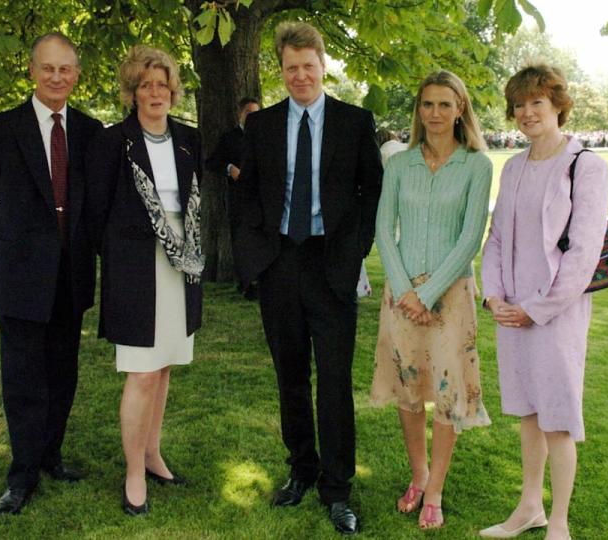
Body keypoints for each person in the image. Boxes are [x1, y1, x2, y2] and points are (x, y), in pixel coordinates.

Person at [232, 21, 382, 535]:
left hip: (332, 265)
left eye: (309, 66)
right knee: (290, 378)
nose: (300, 76)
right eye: (291, 68)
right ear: (282, 70)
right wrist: (258, 258)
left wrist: (353, 252)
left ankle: (337, 488)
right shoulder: (263, 126)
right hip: (280, 265)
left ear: (323, 65)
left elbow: (371, 193)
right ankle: (300, 471)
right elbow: (246, 193)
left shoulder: (356, 122)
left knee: (335, 382)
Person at [0, 32, 104, 516]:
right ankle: (21, 474)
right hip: (20, 275)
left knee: (62, 373)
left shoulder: (90, 131)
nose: (56, 77)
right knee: (23, 377)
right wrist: (22, 241)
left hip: (70, 277)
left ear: (77, 74)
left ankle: (51, 456)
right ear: (32, 71)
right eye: (48, 68)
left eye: (65, 69)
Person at [478, 64, 608, 540]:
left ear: (557, 104)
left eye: (536, 102)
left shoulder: (586, 166)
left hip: (555, 314)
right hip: (510, 311)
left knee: (556, 415)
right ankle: (529, 507)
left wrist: (536, 308)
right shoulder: (513, 166)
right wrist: (493, 295)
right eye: (519, 104)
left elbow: (584, 254)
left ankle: (559, 522)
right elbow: (496, 240)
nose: (527, 112)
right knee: (529, 413)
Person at [369, 71, 493, 529]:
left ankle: (435, 490)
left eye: (445, 104)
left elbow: (470, 237)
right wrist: (404, 290)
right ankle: (418, 476)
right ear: (418, 110)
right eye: (427, 105)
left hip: (451, 296)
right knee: (408, 387)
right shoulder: (400, 165)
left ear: (460, 108)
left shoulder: (477, 166)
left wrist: (427, 293)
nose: (435, 114)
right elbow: (384, 228)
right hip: (401, 296)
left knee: (445, 392)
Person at [85, 45, 203, 517]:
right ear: (132, 92)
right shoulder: (113, 142)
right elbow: (95, 213)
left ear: (173, 90)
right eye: (145, 84)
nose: (155, 92)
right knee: (142, 371)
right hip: (135, 270)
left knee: (165, 366)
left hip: (181, 268)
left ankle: (153, 454)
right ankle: (134, 471)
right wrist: (119, 259)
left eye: (162, 83)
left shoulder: (189, 140)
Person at [205, 96, 261, 300]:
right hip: (238, 199)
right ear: (240, 114)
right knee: (240, 242)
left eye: (256, 113)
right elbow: (211, 162)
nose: (253, 117)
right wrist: (230, 169)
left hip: (261, 198)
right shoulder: (229, 138)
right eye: (249, 113)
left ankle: (259, 280)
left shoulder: (265, 137)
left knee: (259, 241)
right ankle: (246, 283)